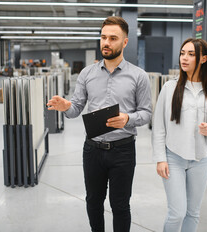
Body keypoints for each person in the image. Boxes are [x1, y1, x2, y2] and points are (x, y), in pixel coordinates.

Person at [47, 16, 152, 232]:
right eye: (103, 37)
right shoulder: (87, 74)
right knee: (93, 202)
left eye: (113, 38)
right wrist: (66, 106)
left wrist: (127, 119)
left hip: (123, 149)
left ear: (124, 42)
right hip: (93, 150)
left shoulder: (139, 76)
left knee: (120, 205)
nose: (106, 42)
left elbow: (146, 113)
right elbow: (76, 108)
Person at [152, 38, 207, 232]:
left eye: (191, 54)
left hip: (201, 159)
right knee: (177, 213)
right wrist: (160, 159)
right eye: (183, 53)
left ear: (203, 59)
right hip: (173, 158)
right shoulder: (169, 88)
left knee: (193, 213)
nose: (184, 58)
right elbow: (159, 126)